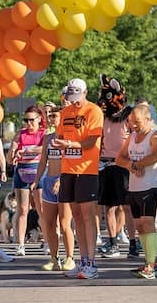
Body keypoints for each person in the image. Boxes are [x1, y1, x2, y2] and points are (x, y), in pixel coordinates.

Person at [52, 78, 103, 279]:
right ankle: (82, 260)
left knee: (88, 216)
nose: (74, 101)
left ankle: (92, 262)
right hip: (68, 170)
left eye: (77, 97)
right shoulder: (65, 112)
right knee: (76, 216)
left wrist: (69, 145)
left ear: (85, 92)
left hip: (87, 170)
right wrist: (59, 143)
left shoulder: (94, 111)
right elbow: (61, 135)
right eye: (70, 97)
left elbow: (91, 141)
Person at [117, 104, 157, 280]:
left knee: (148, 223)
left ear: (148, 119)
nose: (133, 126)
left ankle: (151, 266)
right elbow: (119, 158)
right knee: (139, 226)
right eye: (130, 122)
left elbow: (155, 155)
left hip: (151, 186)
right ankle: (148, 262)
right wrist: (131, 165)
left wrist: (139, 164)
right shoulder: (132, 136)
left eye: (136, 122)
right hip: (134, 187)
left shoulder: (155, 135)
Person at [32, 105, 76, 272]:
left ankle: (70, 257)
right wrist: (37, 181)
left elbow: (71, 161)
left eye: (55, 116)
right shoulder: (48, 138)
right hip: (49, 181)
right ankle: (54, 257)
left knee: (65, 223)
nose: (52, 119)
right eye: (50, 116)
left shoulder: (69, 138)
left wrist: (63, 179)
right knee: (48, 222)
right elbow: (43, 161)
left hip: (64, 181)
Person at [96, 75, 135, 259]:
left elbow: (137, 137)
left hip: (124, 165)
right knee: (109, 207)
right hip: (105, 164)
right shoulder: (102, 116)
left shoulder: (128, 115)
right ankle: (112, 242)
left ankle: (133, 243)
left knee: (126, 206)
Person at [7, 105, 46, 257]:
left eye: (31, 120)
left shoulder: (43, 134)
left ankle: (47, 241)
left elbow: (45, 149)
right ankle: (21, 244)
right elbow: (10, 159)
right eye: (26, 120)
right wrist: (13, 150)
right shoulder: (21, 134)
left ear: (39, 119)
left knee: (41, 209)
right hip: (22, 171)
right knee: (23, 209)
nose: (29, 124)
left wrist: (29, 150)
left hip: (38, 171)